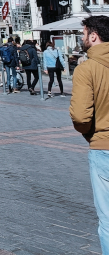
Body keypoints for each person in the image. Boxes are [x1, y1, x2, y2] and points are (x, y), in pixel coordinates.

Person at [70, 15, 109, 253]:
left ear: (94, 36)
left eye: (84, 34)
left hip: (104, 147)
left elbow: (81, 117)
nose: (82, 38)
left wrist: (90, 134)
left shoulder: (87, 69)